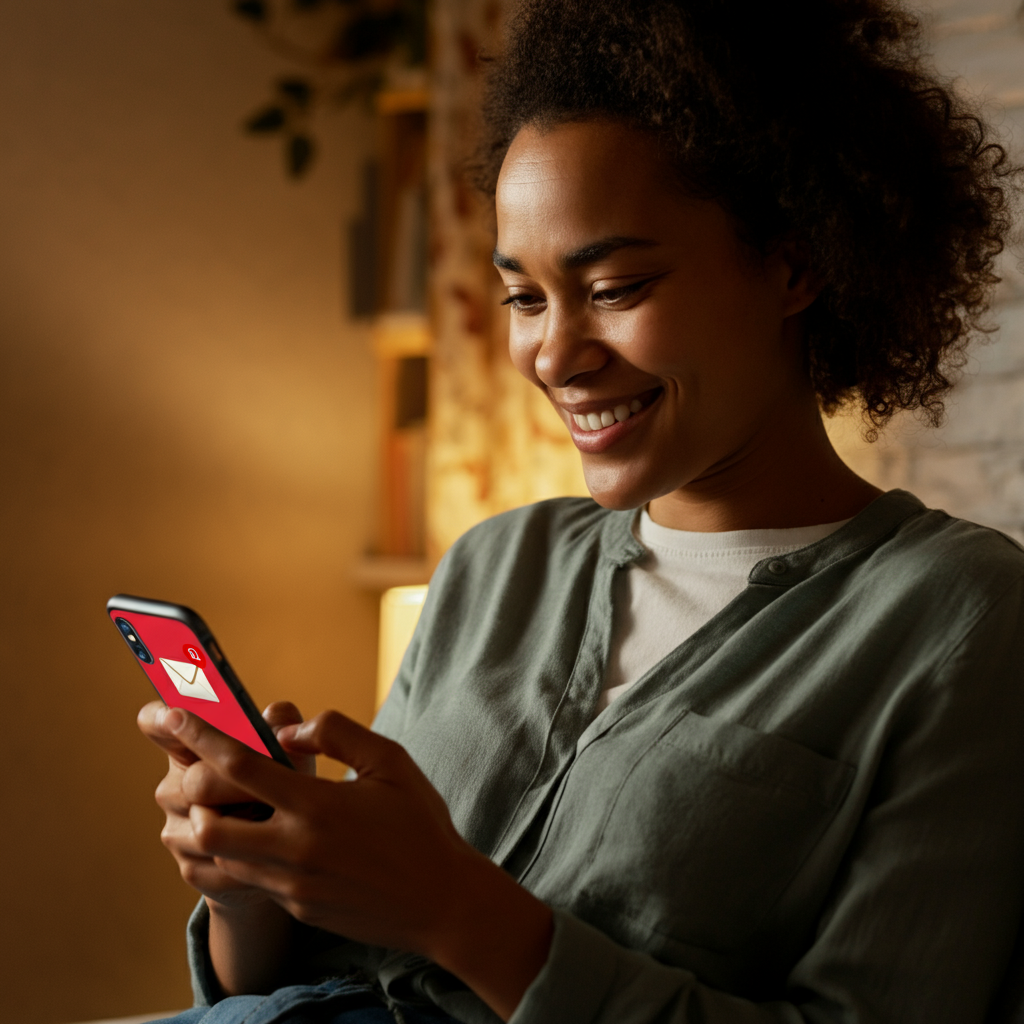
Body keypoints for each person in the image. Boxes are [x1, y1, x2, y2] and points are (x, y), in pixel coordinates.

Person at [138, 1, 1024, 1022]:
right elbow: (310, 978)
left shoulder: (961, 619)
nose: (554, 355)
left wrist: (456, 910)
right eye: (524, 298)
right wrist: (252, 884)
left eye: (614, 285)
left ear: (795, 263)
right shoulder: (495, 562)